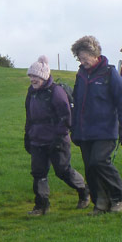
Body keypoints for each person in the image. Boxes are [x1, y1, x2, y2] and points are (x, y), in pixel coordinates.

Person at [24, 55, 90, 216]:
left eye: (36, 76)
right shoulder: (31, 93)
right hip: (37, 140)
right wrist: (27, 135)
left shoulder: (56, 92)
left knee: (62, 171)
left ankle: (83, 191)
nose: (33, 79)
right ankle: (41, 206)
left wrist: (58, 138)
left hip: (57, 140)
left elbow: (66, 118)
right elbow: (29, 117)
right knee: (38, 173)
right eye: (31, 76)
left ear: (44, 76)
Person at [70, 36, 122, 215]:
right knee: (90, 168)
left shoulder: (109, 73)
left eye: (85, 57)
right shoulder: (81, 74)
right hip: (84, 131)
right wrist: (74, 128)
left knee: (99, 161)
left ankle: (118, 197)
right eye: (79, 58)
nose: (82, 61)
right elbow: (76, 102)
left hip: (105, 130)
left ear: (95, 54)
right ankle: (100, 203)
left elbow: (120, 101)